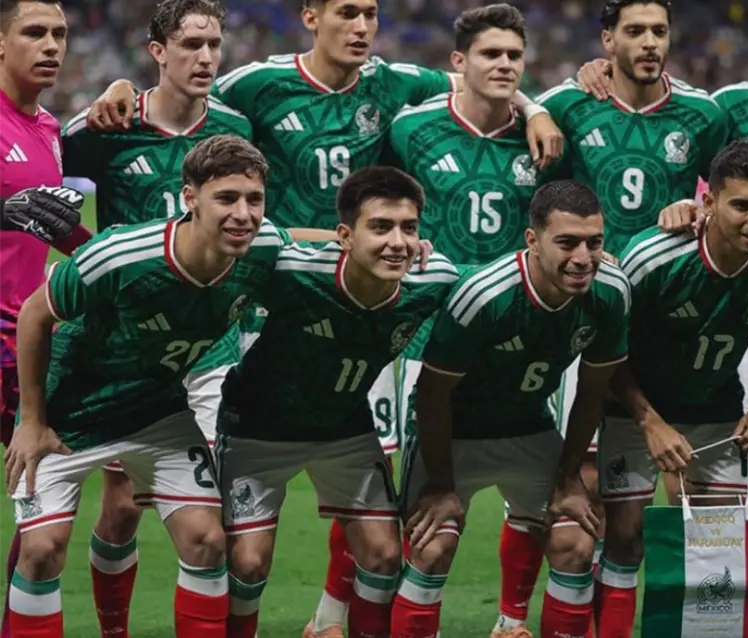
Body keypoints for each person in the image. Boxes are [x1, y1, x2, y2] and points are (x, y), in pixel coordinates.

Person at [86, 5, 565, 630]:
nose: (361, 26)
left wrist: (535, 108)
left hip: (372, 296)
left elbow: (481, 77)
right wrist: (124, 87)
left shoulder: (394, 83)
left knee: (370, 461)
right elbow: (184, 88)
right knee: (140, 498)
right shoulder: (257, 84)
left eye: (371, 13)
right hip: (276, 290)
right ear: (312, 16)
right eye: (347, 12)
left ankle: (330, 615)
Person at [2, 134, 294, 638]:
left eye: (255, 199)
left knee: (207, 541)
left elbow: (303, 242)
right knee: (42, 550)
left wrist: (355, 242)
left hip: (156, 409)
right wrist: (30, 422)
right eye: (226, 198)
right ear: (189, 199)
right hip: (70, 410)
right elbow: (34, 314)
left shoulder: (263, 245)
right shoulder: (121, 254)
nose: (244, 214)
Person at [504, 0, 727, 630]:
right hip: (579, 315)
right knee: (574, 492)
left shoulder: (703, 114)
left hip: (665, 322)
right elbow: (503, 95)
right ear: (608, 40)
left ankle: (693, 616)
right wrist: (535, 106)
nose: (650, 41)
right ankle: (512, 616)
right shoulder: (572, 104)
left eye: (659, 30)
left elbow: (729, 192)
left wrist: (698, 205)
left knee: (649, 511)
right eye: (634, 31)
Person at [577, 0, 748, 507]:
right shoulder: (728, 108)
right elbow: (715, 174)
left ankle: (747, 552)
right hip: (734, 293)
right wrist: (599, 70)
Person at [216, 165, 458, 638]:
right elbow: (245, 240)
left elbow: (500, 281)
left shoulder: (433, 278)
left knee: (384, 556)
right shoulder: (293, 271)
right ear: (345, 236)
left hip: (344, 428)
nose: (398, 242)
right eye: (381, 227)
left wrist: (599, 262)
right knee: (247, 564)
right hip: (257, 429)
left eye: (409, 228)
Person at [392, 179, 630, 638]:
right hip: (454, 433)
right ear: (532, 240)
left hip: (528, 426)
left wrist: (568, 479)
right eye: (567, 243)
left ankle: (513, 623)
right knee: (432, 547)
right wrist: (440, 485)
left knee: (577, 542)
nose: (583, 257)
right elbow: (433, 395)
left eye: (594, 243)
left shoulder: (611, 291)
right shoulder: (485, 295)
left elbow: (592, 392)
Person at [595, 140, 748, 638]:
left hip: (715, 409)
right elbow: (607, 352)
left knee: (720, 543)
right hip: (633, 410)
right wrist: (650, 422)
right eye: (742, 205)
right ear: (708, 202)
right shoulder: (654, 260)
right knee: (624, 538)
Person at [0, 0, 92, 634]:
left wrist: (107, 255)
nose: (52, 44)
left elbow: (47, 223)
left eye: (59, 32)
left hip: (25, 346)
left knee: (39, 521)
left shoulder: (49, 127)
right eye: (34, 32)